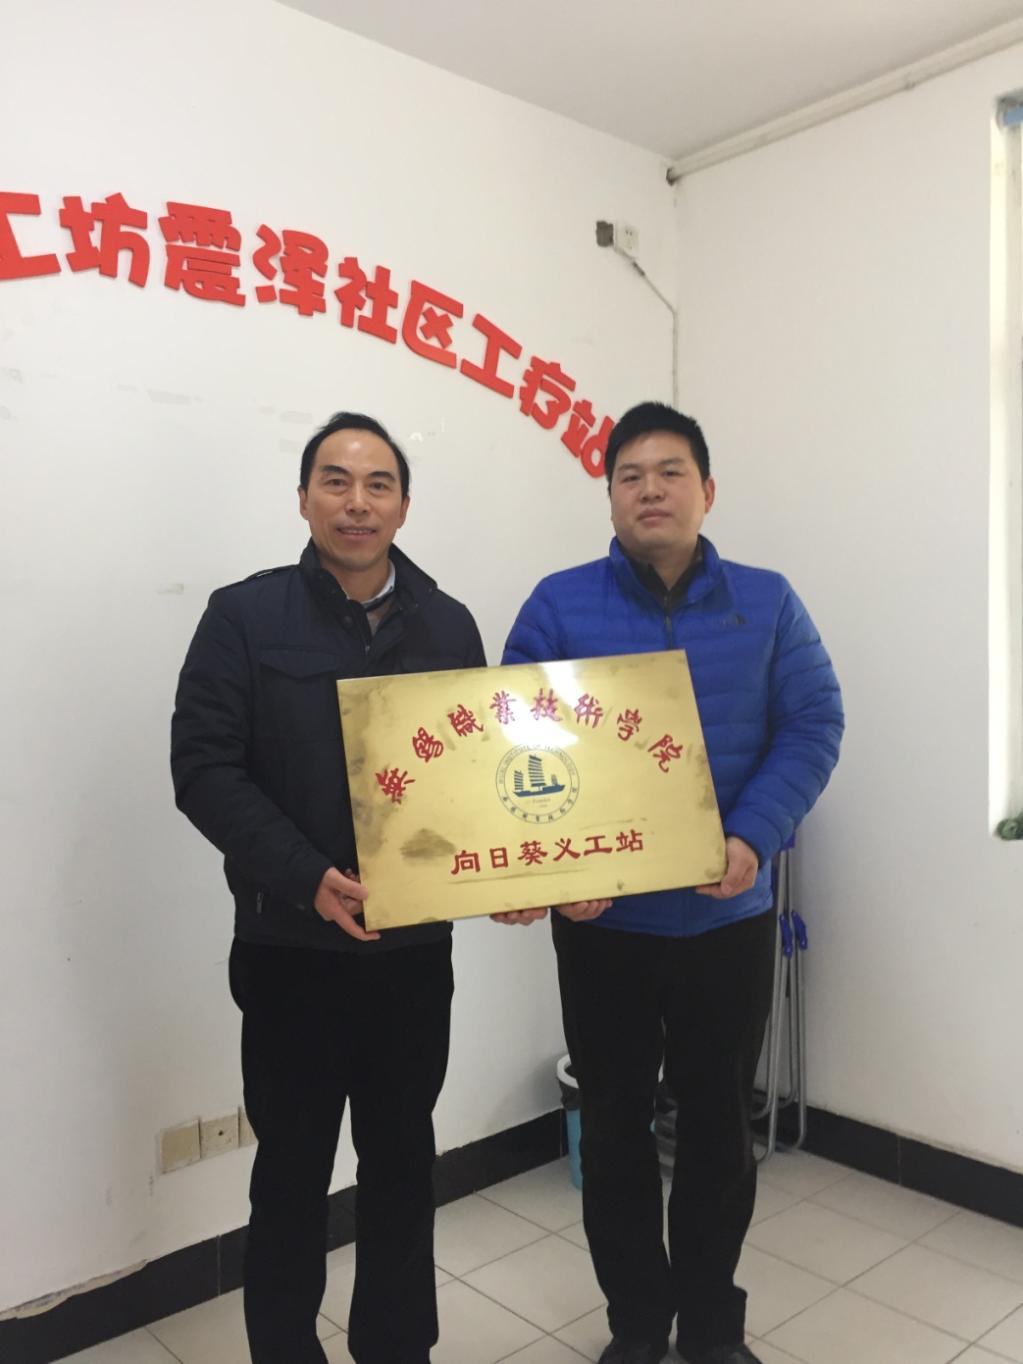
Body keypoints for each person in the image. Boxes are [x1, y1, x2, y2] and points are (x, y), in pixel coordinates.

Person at [503, 401, 844, 1364]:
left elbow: (812, 723)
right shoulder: (557, 605)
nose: (649, 490)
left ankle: (708, 1327)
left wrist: (752, 834)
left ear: (706, 489)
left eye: (669, 472)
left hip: (723, 917)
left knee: (717, 1134)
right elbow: (512, 746)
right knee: (613, 1135)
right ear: (608, 495)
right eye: (629, 476)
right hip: (602, 925)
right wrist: (556, 869)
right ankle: (635, 1327)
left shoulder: (767, 602)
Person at [171, 413, 487, 1364]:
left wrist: (517, 870)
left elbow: (473, 779)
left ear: (403, 504)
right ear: (304, 498)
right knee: (291, 1176)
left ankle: (397, 1348)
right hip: (289, 951)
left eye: (377, 483)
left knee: (402, 1168)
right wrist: (305, 875)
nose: (357, 502)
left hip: (411, 954)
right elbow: (203, 768)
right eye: (336, 482)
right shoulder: (244, 616)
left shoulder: (449, 624)